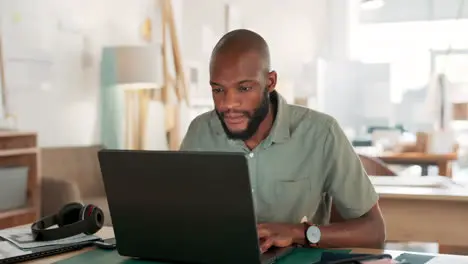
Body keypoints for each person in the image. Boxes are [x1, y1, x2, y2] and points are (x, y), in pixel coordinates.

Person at [179, 29, 385, 252]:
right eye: (218, 89)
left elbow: (374, 232)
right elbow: (177, 216)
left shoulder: (322, 133)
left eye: (244, 88)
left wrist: (298, 233)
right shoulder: (200, 131)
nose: (228, 104)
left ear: (270, 82)